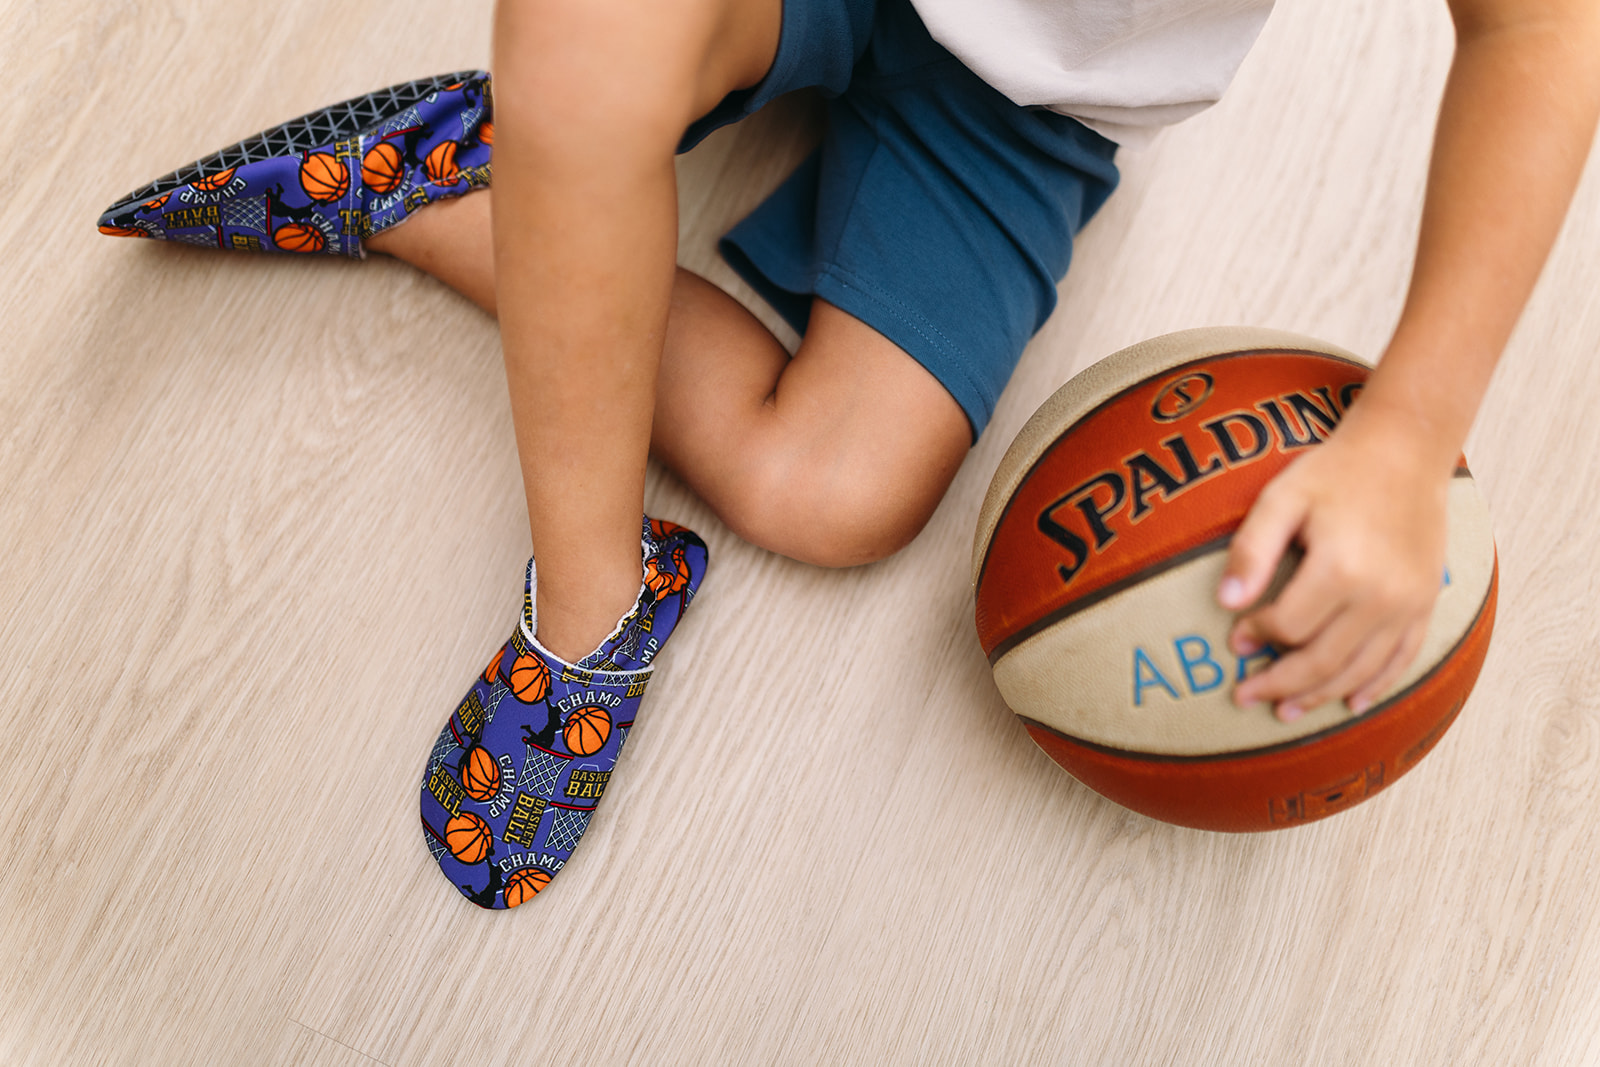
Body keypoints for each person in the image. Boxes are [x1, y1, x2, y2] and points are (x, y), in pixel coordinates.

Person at [97, 0, 1600, 907]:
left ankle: (445, 185)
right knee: (582, 35)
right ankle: (591, 613)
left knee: (829, 491)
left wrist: (1410, 436)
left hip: (1030, 94)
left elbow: (1540, 30)